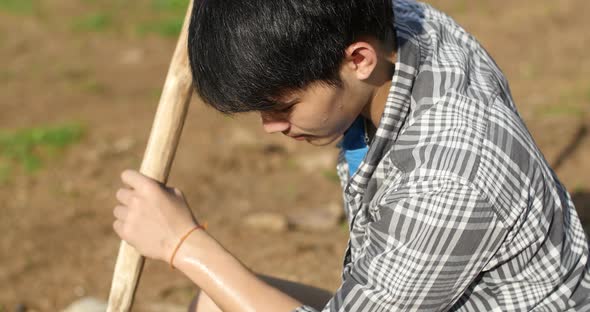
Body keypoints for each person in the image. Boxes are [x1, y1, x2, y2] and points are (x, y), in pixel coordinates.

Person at [112, 0, 590, 311]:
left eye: (283, 106)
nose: (271, 126)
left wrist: (183, 244)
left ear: (358, 59)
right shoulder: (396, 26)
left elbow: (441, 182)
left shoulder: (447, 177)